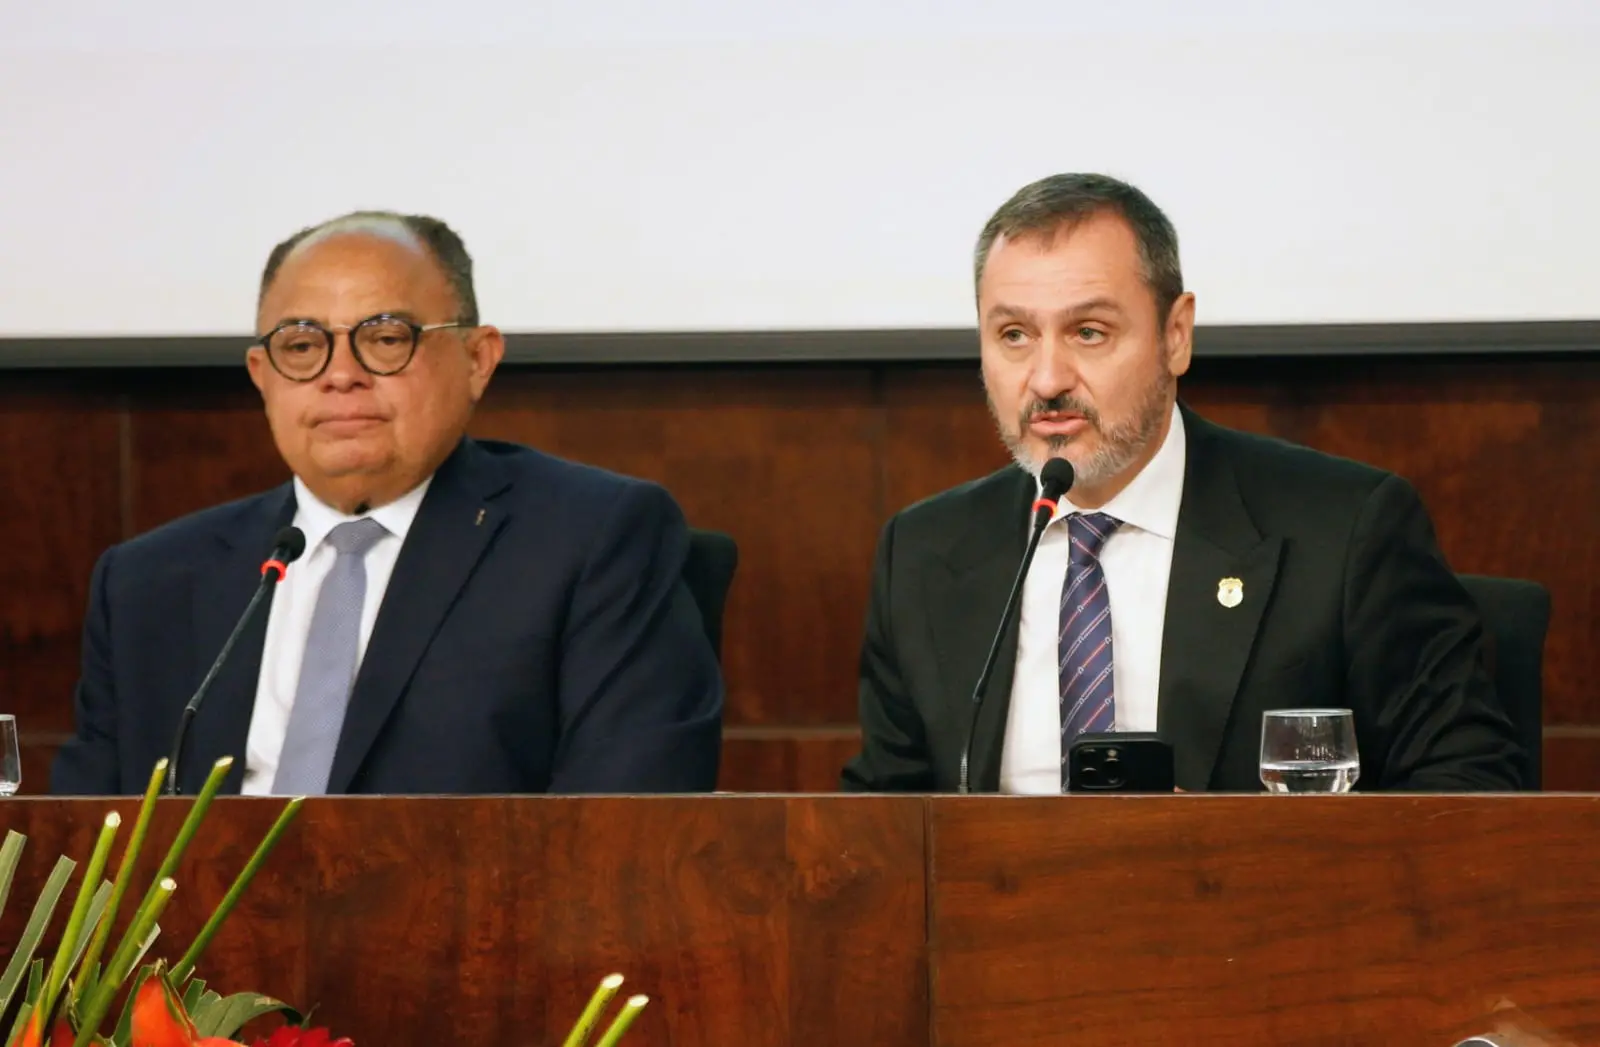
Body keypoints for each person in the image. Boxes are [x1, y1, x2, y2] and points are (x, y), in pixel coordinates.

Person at [841, 173, 1522, 793]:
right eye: (1014, 334)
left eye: (1088, 331)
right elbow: (880, 831)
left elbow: (1467, 790)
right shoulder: (925, 555)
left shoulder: (1343, 531)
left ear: (1175, 335)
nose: (1046, 379)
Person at [53, 211, 723, 795]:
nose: (340, 374)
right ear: (263, 376)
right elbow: (79, 854)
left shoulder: (589, 541)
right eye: (302, 345)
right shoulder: (149, 583)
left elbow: (624, 834)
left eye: (385, 337)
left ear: (477, 358)